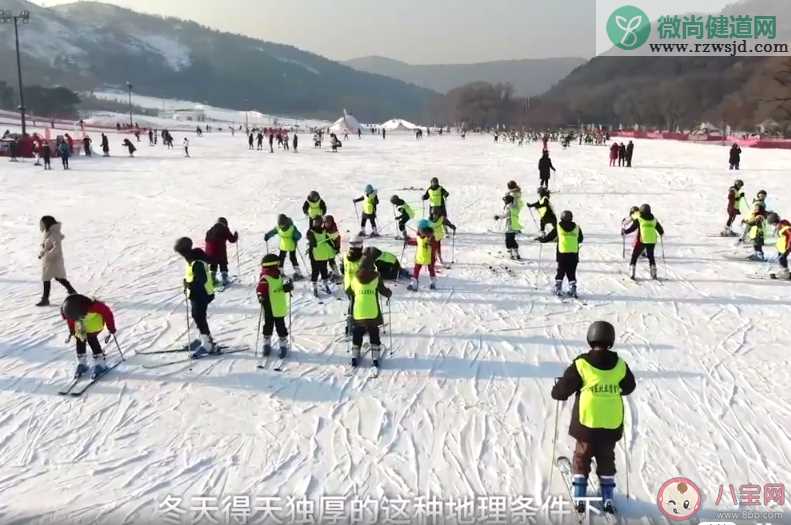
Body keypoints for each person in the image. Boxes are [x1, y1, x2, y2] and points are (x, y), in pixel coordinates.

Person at [551, 321, 636, 515]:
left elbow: (563, 389)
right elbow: (629, 386)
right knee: (606, 457)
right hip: (611, 422)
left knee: (582, 455)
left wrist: (557, 391)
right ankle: (607, 498)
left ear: (590, 339)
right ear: (611, 340)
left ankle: (580, 495)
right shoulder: (620, 365)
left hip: (587, 423)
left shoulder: (582, 364)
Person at [174, 237, 217, 358]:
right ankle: (203, 338)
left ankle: (207, 344)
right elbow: (192, 276)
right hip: (197, 294)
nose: (181, 255)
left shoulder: (197, 262)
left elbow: (201, 280)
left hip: (202, 294)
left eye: (181, 252)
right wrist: (187, 282)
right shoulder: (191, 259)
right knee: (197, 316)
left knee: (199, 316)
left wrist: (189, 285)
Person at [347, 255, 392, 368]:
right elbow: (384, 291)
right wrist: (389, 293)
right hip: (372, 311)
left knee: (358, 330)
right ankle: (375, 356)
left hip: (358, 312)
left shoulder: (354, 278)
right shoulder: (376, 277)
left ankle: (354, 354)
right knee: (373, 330)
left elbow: (349, 291)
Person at [61, 294, 116, 378]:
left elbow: (107, 314)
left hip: (94, 324)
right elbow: (71, 320)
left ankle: (100, 363)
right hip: (81, 325)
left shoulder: (95, 306)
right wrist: (72, 331)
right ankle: (82, 363)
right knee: (80, 338)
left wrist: (111, 328)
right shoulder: (71, 309)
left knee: (91, 338)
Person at [256, 254, 294, 359]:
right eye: (277, 264)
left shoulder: (278, 275)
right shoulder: (265, 278)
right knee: (268, 325)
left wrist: (287, 287)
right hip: (269, 306)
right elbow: (259, 289)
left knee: (281, 326)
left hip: (279, 306)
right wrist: (260, 297)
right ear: (272, 265)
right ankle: (266, 343)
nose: (278, 266)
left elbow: (280, 287)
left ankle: (283, 344)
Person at [538, 210, 583, 297]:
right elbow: (580, 239)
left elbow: (549, 237)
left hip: (562, 252)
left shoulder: (559, 226)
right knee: (571, 271)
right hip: (574, 253)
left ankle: (558, 288)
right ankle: (573, 289)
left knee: (561, 270)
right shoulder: (577, 227)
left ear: (562, 218)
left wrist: (542, 239)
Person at [36, 216, 77, 306]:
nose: (41, 226)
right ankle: (72, 291)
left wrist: (48, 254)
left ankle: (45, 299)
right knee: (58, 277)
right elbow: (47, 246)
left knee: (47, 278)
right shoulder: (49, 233)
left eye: (42, 223)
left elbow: (56, 247)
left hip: (54, 261)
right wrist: (42, 254)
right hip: (50, 261)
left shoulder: (54, 234)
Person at [622, 204, 664, 280]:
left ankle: (632, 272)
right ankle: (653, 273)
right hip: (652, 240)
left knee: (635, 255)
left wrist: (625, 231)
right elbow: (660, 230)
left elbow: (633, 228)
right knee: (651, 256)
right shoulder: (653, 219)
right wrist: (661, 233)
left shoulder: (639, 218)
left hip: (642, 239)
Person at [264, 215, 303, 280]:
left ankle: (298, 273)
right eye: (280, 225)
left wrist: (295, 237)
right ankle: (281, 272)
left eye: (282, 225)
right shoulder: (278, 227)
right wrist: (267, 236)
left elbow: (299, 235)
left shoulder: (292, 228)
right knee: (281, 259)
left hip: (291, 245)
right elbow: (273, 232)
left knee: (292, 258)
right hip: (283, 246)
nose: (281, 226)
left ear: (286, 223)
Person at [341, 236, 365, 337]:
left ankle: (350, 326)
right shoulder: (362, 259)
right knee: (358, 305)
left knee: (352, 303)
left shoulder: (345, 256)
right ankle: (353, 327)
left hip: (348, 285)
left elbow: (342, 270)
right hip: (358, 286)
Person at [205, 217, 239, 286]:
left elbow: (206, 240)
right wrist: (236, 235)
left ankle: (212, 279)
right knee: (223, 263)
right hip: (220, 251)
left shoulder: (210, 230)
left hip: (209, 253)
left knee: (213, 263)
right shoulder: (224, 229)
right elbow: (232, 239)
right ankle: (224, 279)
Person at [306, 217, 335, 297]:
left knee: (324, 270)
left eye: (317, 222)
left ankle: (325, 284)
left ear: (321, 223)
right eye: (314, 222)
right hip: (314, 255)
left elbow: (328, 240)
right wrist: (312, 242)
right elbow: (310, 239)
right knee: (315, 271)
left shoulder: (323, 231)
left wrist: (333, 247)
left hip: (323, 254)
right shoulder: (310, 232)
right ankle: (314, 286)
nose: (315, 223)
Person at [406, 220, 437, 291]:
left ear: (425, 230)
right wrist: (408, 241)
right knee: (416, 270)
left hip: (429, 257)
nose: (418, 230)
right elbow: (417, 242)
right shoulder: (419, 236)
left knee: (431, 269)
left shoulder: (431, 238)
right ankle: (414, 284)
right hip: (420, 256)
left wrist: (430, 244)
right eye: (418, 229)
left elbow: (435, 246)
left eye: (420, 229)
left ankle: (433, 282)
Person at [495, 194, 523, 260]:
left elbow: (506, 214)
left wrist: (498, 217)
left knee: (508, 240)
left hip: (510, 226)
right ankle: (516, 253)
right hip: (514, 226)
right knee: (512, 239)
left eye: (505, 200)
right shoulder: (514, 206)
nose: (504, 202)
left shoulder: (509, 207)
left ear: (508, 201)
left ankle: (512, 254)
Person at [767, 213, 791, 279]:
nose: (772, 225)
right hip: (782, 247)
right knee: (780, 259)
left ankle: (785, 274)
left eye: (772, 224)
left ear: (774, 222)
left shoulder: (784, 226)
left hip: (786, 247)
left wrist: (788, 248)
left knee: (782, 259)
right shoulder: (779, 226)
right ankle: (783, 272)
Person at [323, 215, 342, 280]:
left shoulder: (334, 230)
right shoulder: (323, 229)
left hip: (331, 249)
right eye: (325, 222)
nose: (327, 224)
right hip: (324, 249)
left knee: (331, 261)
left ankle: (336, 274)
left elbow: (338, 240)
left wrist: (337, 248)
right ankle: (329, 273)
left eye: (328, 222)